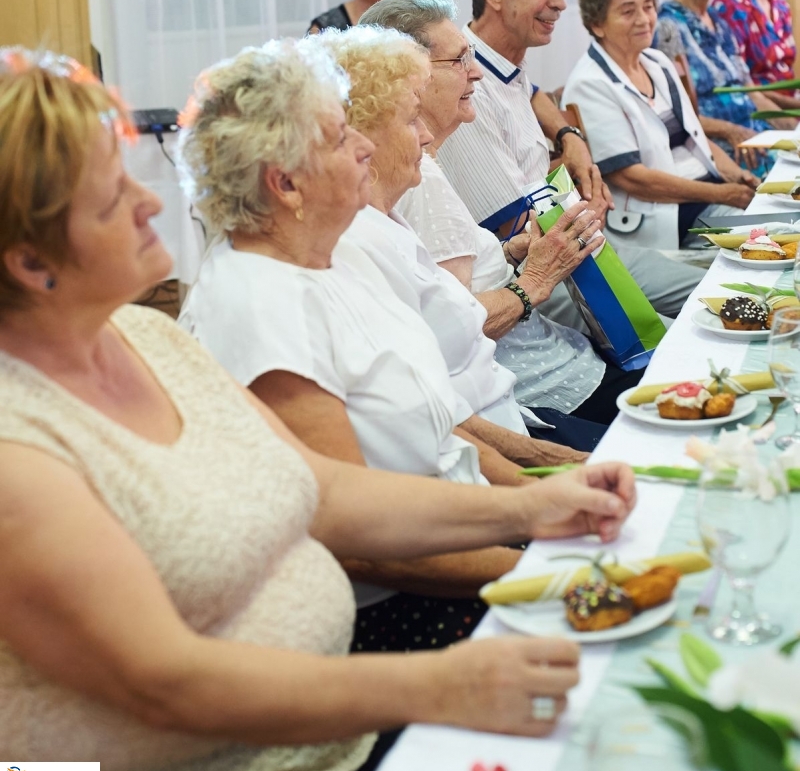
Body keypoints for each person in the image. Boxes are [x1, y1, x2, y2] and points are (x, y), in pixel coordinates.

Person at [0, 47, 636, 771]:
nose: (150, 204)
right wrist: (442, 684)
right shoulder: (20, 449)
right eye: (114, 197)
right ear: (31, 263)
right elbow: (165, 683)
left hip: (334, 720)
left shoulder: (145, 336)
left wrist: (534, 507)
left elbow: (326, 492)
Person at [176, 40, 629, 654]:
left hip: (473, 536)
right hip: (408, 604)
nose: (363, 146)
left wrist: (544, 492)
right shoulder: (258, 305)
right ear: (285, 184)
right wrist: (541, 566)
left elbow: (441, 430)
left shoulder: (328, 256)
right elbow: (360, 544)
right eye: (340, 138)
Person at [359, 0, 633, 438]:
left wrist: (512, 251)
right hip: (542, 387)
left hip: (556, 362)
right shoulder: (422, 180)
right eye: (460, 60)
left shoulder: (425, 167)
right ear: (411, 78)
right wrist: (537, 277)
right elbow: (451, 328)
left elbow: (443, 280)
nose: (476, 72)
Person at [436, 0, 705, 326]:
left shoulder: (504, 64)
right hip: (540, 273)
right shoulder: (467, 84)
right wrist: (581, 204)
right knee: (687, 333)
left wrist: (570, 138)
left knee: (718, 292)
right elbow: (512, 225)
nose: (561, 2)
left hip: (577, 247)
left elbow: (531, 92)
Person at [563, 0, 755, 251]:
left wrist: (738, 177)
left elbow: (695, 137)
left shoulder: (657, 62)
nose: (644, 19)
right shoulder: (589, 84)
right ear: (597, 24)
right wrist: (723, 194)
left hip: (706, 196)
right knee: (769, 237)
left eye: (648, 6)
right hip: (668, 215)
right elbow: (633, 179)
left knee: (781, 220)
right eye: (628, 11)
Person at [652, 0, 788, 173]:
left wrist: (792, 129)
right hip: (717, 144)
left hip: (753, 132)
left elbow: (752, 93)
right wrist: (730, 131)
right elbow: (672, 112)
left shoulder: (719, 22)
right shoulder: (668, 27)